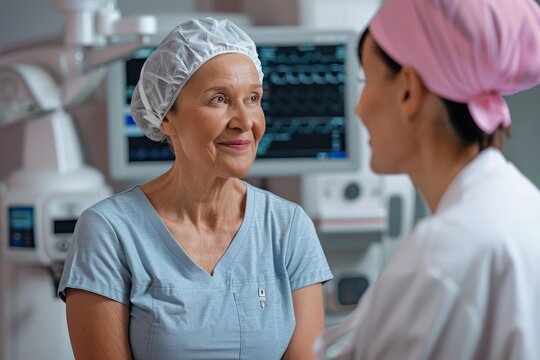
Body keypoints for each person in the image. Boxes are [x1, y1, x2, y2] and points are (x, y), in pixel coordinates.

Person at [58, 17, 333, 360]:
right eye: (219, 99)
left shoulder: (289, 227)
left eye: (253, 98)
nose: (245, 121)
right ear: (167, 117)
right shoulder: (109, 231)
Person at [315, 0, 540, 359]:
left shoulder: (440, 257)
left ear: (408, 90)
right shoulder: (523, 206)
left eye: (368, 80)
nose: (358, 108)